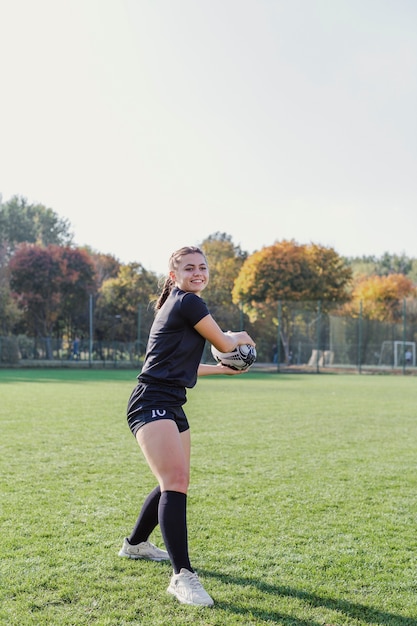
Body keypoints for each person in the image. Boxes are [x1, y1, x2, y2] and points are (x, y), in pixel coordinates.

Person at [119, 246, 255, 606]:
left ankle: (135, 545)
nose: (198, 272)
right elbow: (225, 343)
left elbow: (185, 367)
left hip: (172, 400)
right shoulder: (189, 303)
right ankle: (182, 576)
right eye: (189, 268)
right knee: (175, 482)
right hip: (151, 401)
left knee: (174, 482)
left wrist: (223, 369)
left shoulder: (180, 305)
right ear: (173, 275)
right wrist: (240, 338)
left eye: (203, 267)